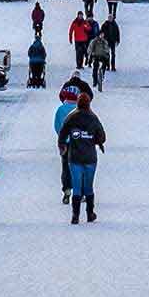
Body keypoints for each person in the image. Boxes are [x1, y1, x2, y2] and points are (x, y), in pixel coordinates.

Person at [59, 93, 107, 224]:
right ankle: (90, 213)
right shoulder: (93, 118)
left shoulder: (71, 118)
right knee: (89, 187)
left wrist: (62, 146)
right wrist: (93, 139)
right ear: (89, 104)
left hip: (74, 157)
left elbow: (62, 134)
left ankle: (75, 215)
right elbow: (102, 137)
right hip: (90, 158)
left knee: (76, 186)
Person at [54, 83, 84, 203]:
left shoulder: (60, 109)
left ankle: (67, 190)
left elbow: (57, 126)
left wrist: (61, 138)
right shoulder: (80, 110)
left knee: (66, 167)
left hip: (65, 143)